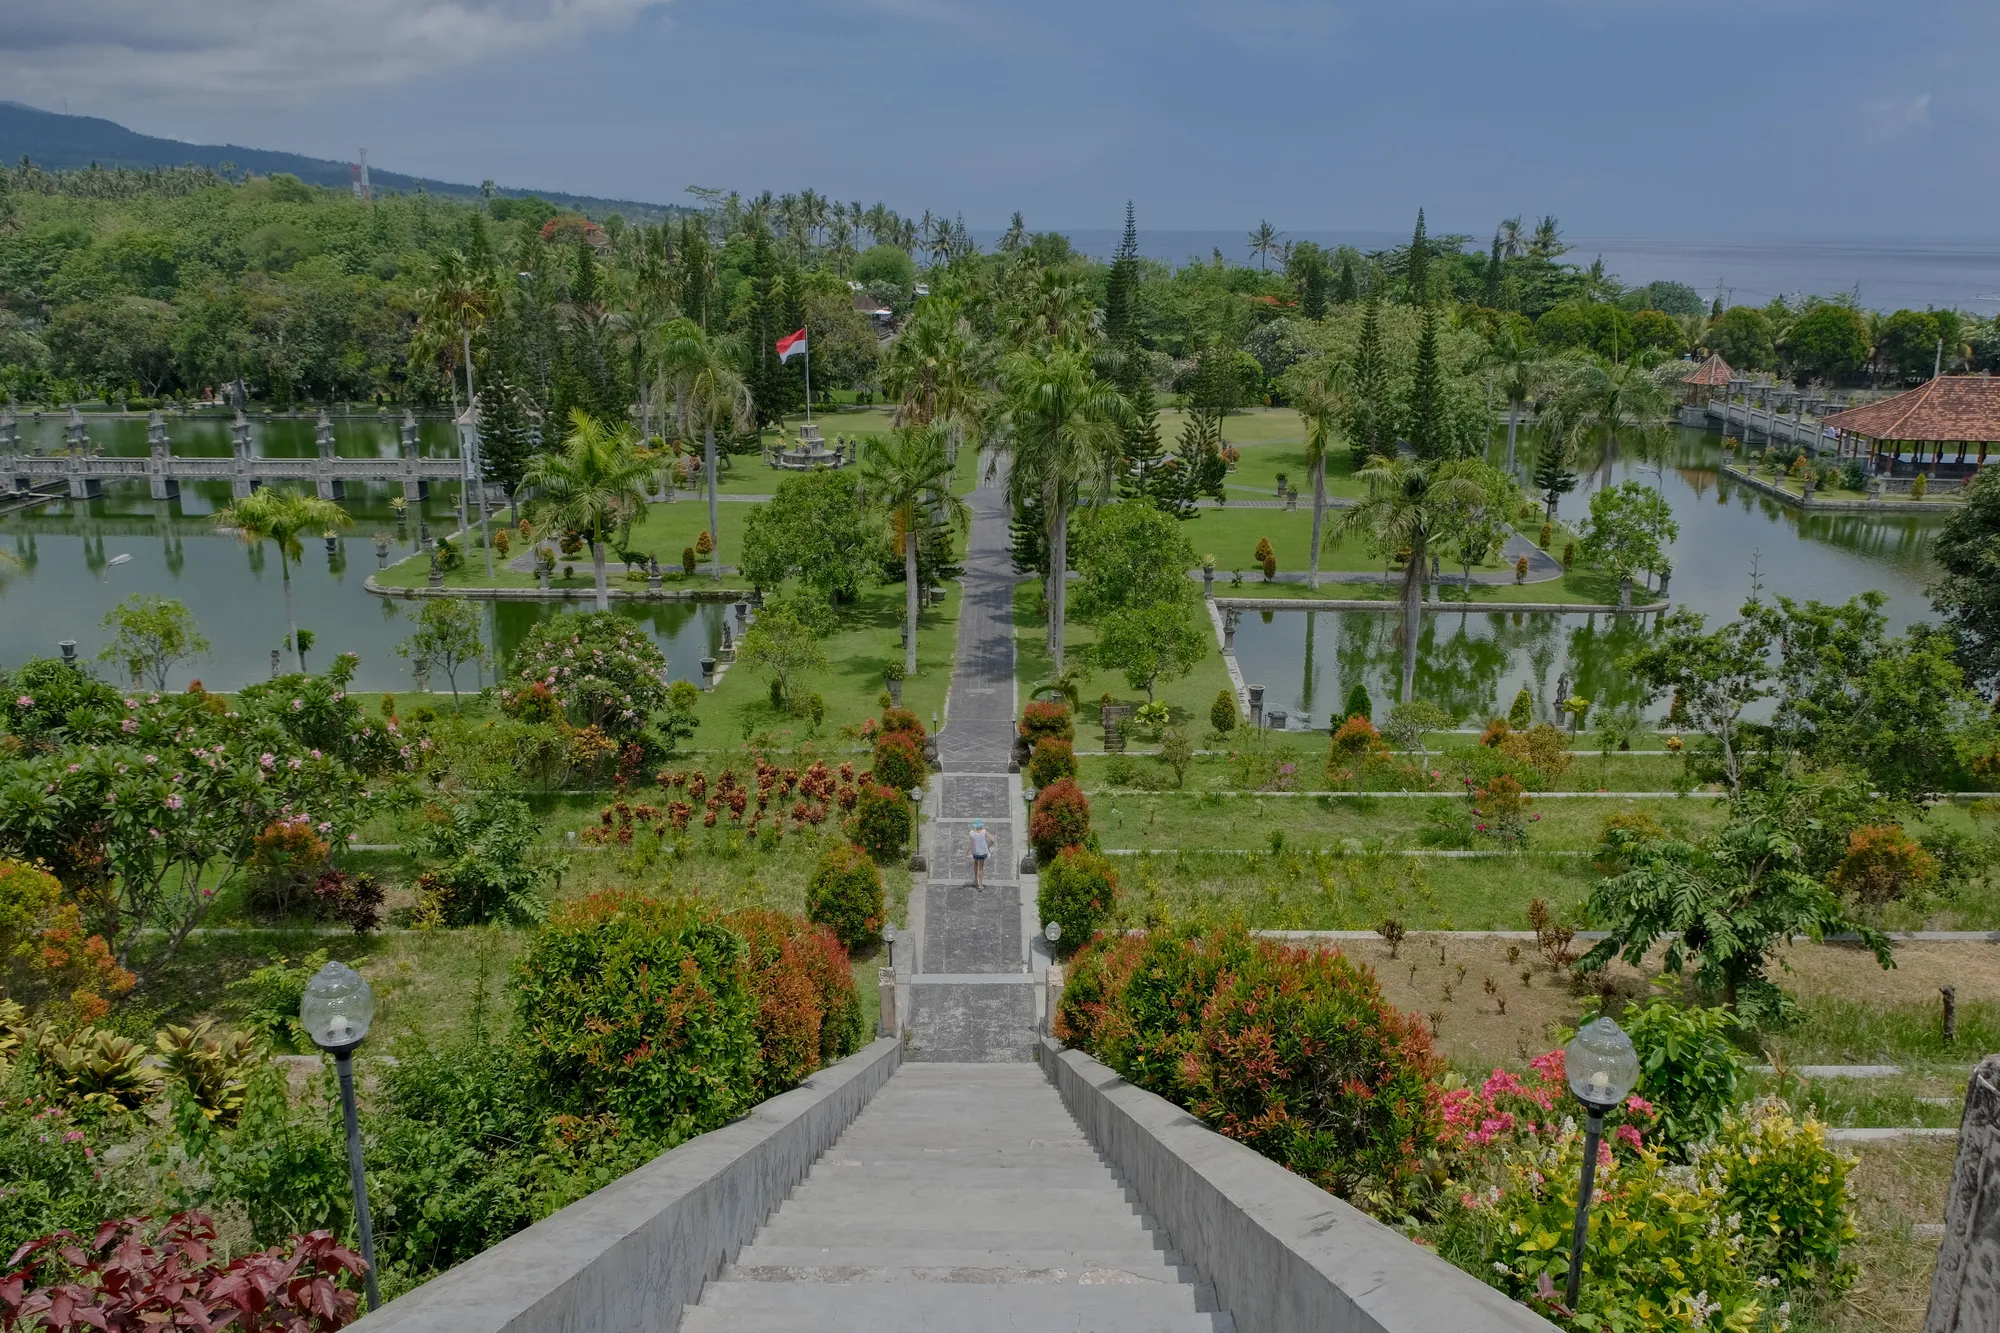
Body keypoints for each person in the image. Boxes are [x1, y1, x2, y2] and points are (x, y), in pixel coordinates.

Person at [968, 819, 991, 889]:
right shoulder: (984, 832)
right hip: (983, 852)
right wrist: (988, 846)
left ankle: (976, 879)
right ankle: (980, 885)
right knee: (981, 868)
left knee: (975, 863)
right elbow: (993, 840)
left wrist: (967, 852)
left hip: (976, 852)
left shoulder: (972, 833)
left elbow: (970, 844)